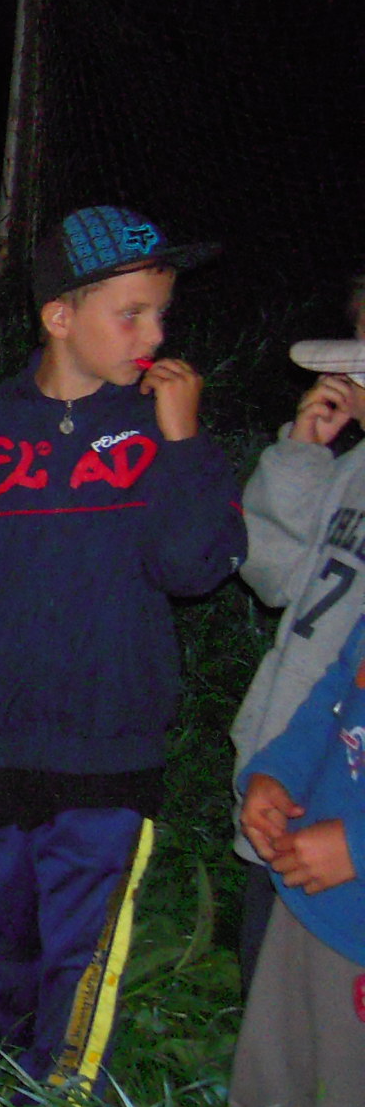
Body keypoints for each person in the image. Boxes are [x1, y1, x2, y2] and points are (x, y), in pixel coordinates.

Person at [0, 205, 245, 1107]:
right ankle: (12, 1081)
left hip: (109, 741)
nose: (155, 336)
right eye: (131, 313)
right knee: (9, 931)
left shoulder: (161, 435)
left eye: (161, 314)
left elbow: (195, 567)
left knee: (80, 950)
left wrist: (184, 443)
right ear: (60, 315)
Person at [220, 614, 365, 1107]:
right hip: (307, 903)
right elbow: (332, 699)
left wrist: (357, 847)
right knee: (271, 1086)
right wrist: (276, 776)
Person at [230, 309, 365, 994]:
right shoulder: (352, 470)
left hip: (349, 796)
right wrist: (300, 459)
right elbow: (276, 576)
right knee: (270, 982)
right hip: (291, 760)